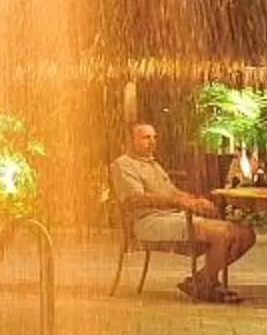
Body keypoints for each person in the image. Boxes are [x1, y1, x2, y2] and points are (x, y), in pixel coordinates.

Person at [110, 120, 256, 302]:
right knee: (226, 234)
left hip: (172, 216)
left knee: (245, 235)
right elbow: (135, 199)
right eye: (146, 138)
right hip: (149, 221)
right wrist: (180, 202)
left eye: (154, 137)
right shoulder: (123, 165)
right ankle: (204, 283)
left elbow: (172, 191)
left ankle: (202, 280)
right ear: (130, 140)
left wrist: (195, 201)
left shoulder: (153, 164)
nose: (152, 142)